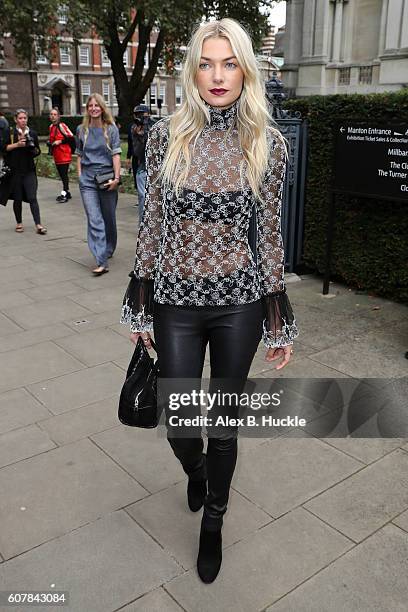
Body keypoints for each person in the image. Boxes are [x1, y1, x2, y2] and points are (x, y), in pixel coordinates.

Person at [120, 18, 299, 583]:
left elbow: (269, 234)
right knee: (179, 424)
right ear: (192, 69)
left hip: (239, 303)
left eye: (229, 62)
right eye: (206, 62)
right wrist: (139, 303)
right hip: (175, 300)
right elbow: (151, 227)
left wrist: (277, 318)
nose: (217, 75)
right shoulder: (165, 136)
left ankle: (214, 522)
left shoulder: (267, 145)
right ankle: (195, 473)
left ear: (245, 68)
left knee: (223, 423)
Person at [76, 93, 122, 275]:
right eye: (90, 105)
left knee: (108, 218)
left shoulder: (111, 129)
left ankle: (109, 247)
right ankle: (101, 259)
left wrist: (116, 179)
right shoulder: (81, 129)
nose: (93, 108)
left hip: (107, 179)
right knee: (94, 219)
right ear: (87, 109)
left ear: (102, 108)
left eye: (97, 105)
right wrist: (80, 175)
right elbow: (78, 153)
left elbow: (116, 154)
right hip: (87, 180)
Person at [3, 108, 47, 234]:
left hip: (29, 170)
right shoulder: (10, 132)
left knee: (33, 197)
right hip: (15, 170)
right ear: (16, 119)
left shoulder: (32, 133)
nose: (23, 120)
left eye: (25, 118)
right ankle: (19, 223)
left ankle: (38, 224)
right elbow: (3, 148)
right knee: (17, 198)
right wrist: (17, 144)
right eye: (20, 118)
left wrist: (33, 149)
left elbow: (37, 151)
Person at [126, 104, 153, 223]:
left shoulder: (155, 126)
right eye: (137, 115)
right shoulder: (134, 128)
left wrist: (147, 127)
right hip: (142, 165)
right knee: (142, 195)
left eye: (142, 114)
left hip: (156, 165)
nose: (139, 117)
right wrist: (139, 134)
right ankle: (143, 223)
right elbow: (138, 150)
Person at [48, 107, 73, 203]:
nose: (53, 116)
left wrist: (60, 141)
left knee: (64, 174)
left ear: (58, 116)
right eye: (51, 114)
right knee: (62, 175)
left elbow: (71, 138)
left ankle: (65, 193)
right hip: (57, 155)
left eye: (55, 114)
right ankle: (67, 192)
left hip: (64, 154)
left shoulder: (62, 126)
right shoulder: (51, 127)